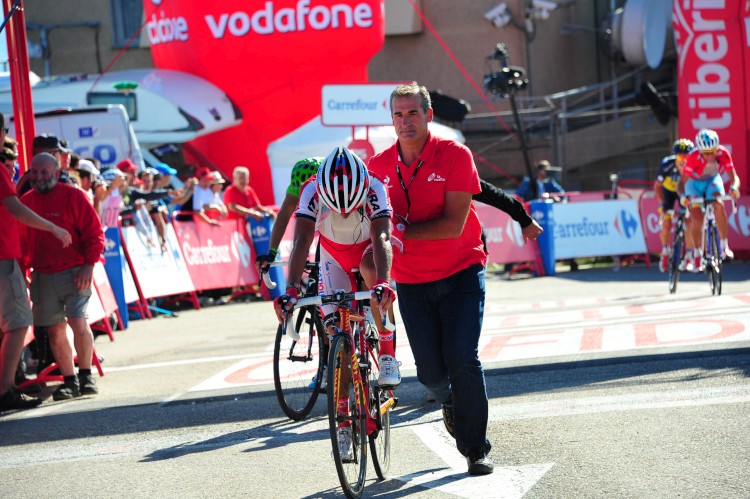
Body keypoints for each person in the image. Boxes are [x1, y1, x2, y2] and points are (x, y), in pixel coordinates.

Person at [368, 82, 529, 476]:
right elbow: (365, 224)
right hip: (411, 280)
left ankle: (475, 449)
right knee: (430, 374)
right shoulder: (377, 167)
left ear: (428, 115)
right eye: (398, 114)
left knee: (463, 358)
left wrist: (399, 232)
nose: (405, 121)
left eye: (413, 113)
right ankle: (450, 402)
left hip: (461, 271)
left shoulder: (455, 154)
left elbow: (453, 225)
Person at [273, 146, 399, 461]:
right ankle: (343, 422)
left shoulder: (375, 186)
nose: (343, 214)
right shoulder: (311, 190)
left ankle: (387, 352)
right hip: (333, 257)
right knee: (338, 339)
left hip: (368, 249)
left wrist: (383, 282)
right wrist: (291, 289)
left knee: (372, 274)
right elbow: (302, 240)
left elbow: (382, 237)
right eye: (337, 208)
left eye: (350, 207)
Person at [20, 152, 105, 401]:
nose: (38, 177)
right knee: (55, 329)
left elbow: (94, 232)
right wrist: (24, 272)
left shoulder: (73, 196)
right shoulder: (26, 202)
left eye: (44, 172)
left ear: (56, 173)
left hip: (75, 271)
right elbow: (21, 242)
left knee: (78, 321)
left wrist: (88, 265)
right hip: (42, 274)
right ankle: (70, 380)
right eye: (34, 172)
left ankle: (86, 374)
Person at [1, 135, 73, 412]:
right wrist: (52, 227)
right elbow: (15, 208)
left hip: (13, 259)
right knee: (18, 324)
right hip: (4, 258)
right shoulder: (7, 177)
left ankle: (10, 382)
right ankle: (5, 389)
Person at [679, 129, 741, 272]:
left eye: (713, 151)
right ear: (700, 151)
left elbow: (734, 177)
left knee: (719, 203)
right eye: (706, 153)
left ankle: (724, 247)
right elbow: (681, 183)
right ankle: (697, 254)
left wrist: (734, 188)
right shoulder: (693, 156)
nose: (710, 155)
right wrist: (683, 196)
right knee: (696, 217)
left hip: (712, 180)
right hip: (694, 184)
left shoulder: (723, 153)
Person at [654, 139, 693, 272]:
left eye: (687, 157)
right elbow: (657, 187)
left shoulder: (693, 165)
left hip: (684, 192)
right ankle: (665, 251)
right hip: (668, 192)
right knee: (666, 222)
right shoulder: (667, 164)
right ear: (676, 156)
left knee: (689, 220)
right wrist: (662, 204)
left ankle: (689, 255)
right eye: (681, 157)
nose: (684, 160)